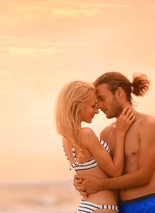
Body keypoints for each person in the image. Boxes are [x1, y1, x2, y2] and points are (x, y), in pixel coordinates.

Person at [74, 72, 155, 212]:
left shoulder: (148, 125)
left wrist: (100, 184)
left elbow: (144, 176)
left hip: (149, 205)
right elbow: (105, 172)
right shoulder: (106, 134)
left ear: (119, 92)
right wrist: (81, 182)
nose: (99, 106)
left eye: (102, 98)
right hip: (119, 207)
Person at [55, 80, 135, 213]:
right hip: (101, 208)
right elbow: (115, 172)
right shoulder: (86, 134)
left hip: (88, 206)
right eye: (93, 106)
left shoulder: (67, 139)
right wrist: (120, 134)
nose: (97, 111)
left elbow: (84, 176)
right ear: (78, 105)